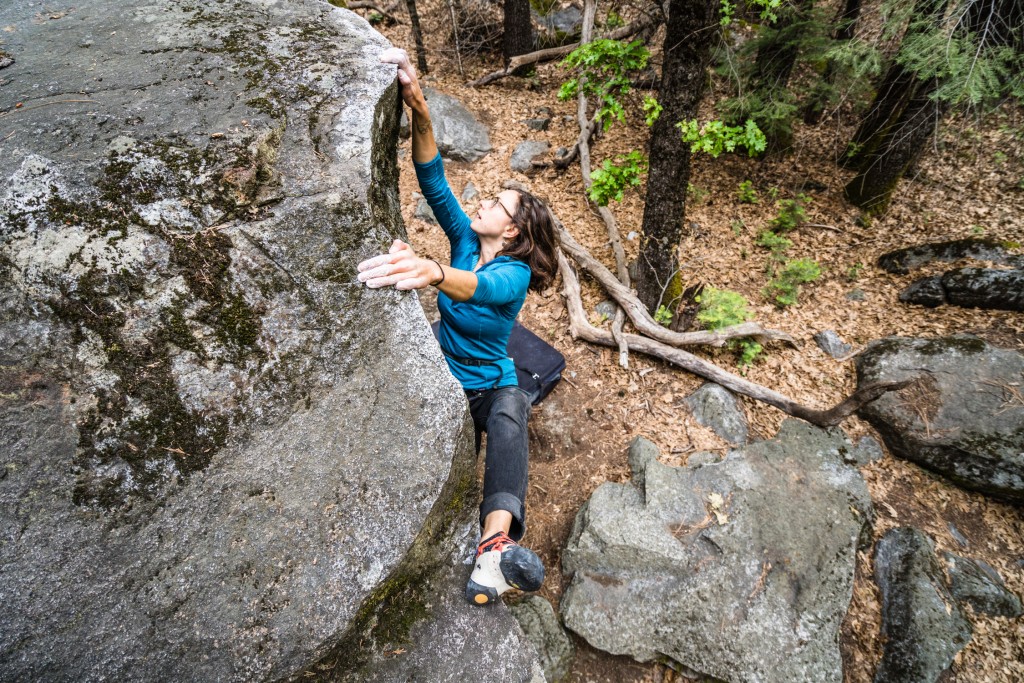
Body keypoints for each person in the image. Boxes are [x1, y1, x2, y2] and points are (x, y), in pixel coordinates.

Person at [359, 48, 559, 605]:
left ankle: (495, 546)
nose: (484, 203)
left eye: (497, 203)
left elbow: (478, 288)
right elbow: (434, 180)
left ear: (513, 232)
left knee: (512, 414)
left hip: (488, 382)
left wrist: (433, 271)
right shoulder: (467, 239)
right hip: (442, 366)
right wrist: (419, 108)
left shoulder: (514, 274)